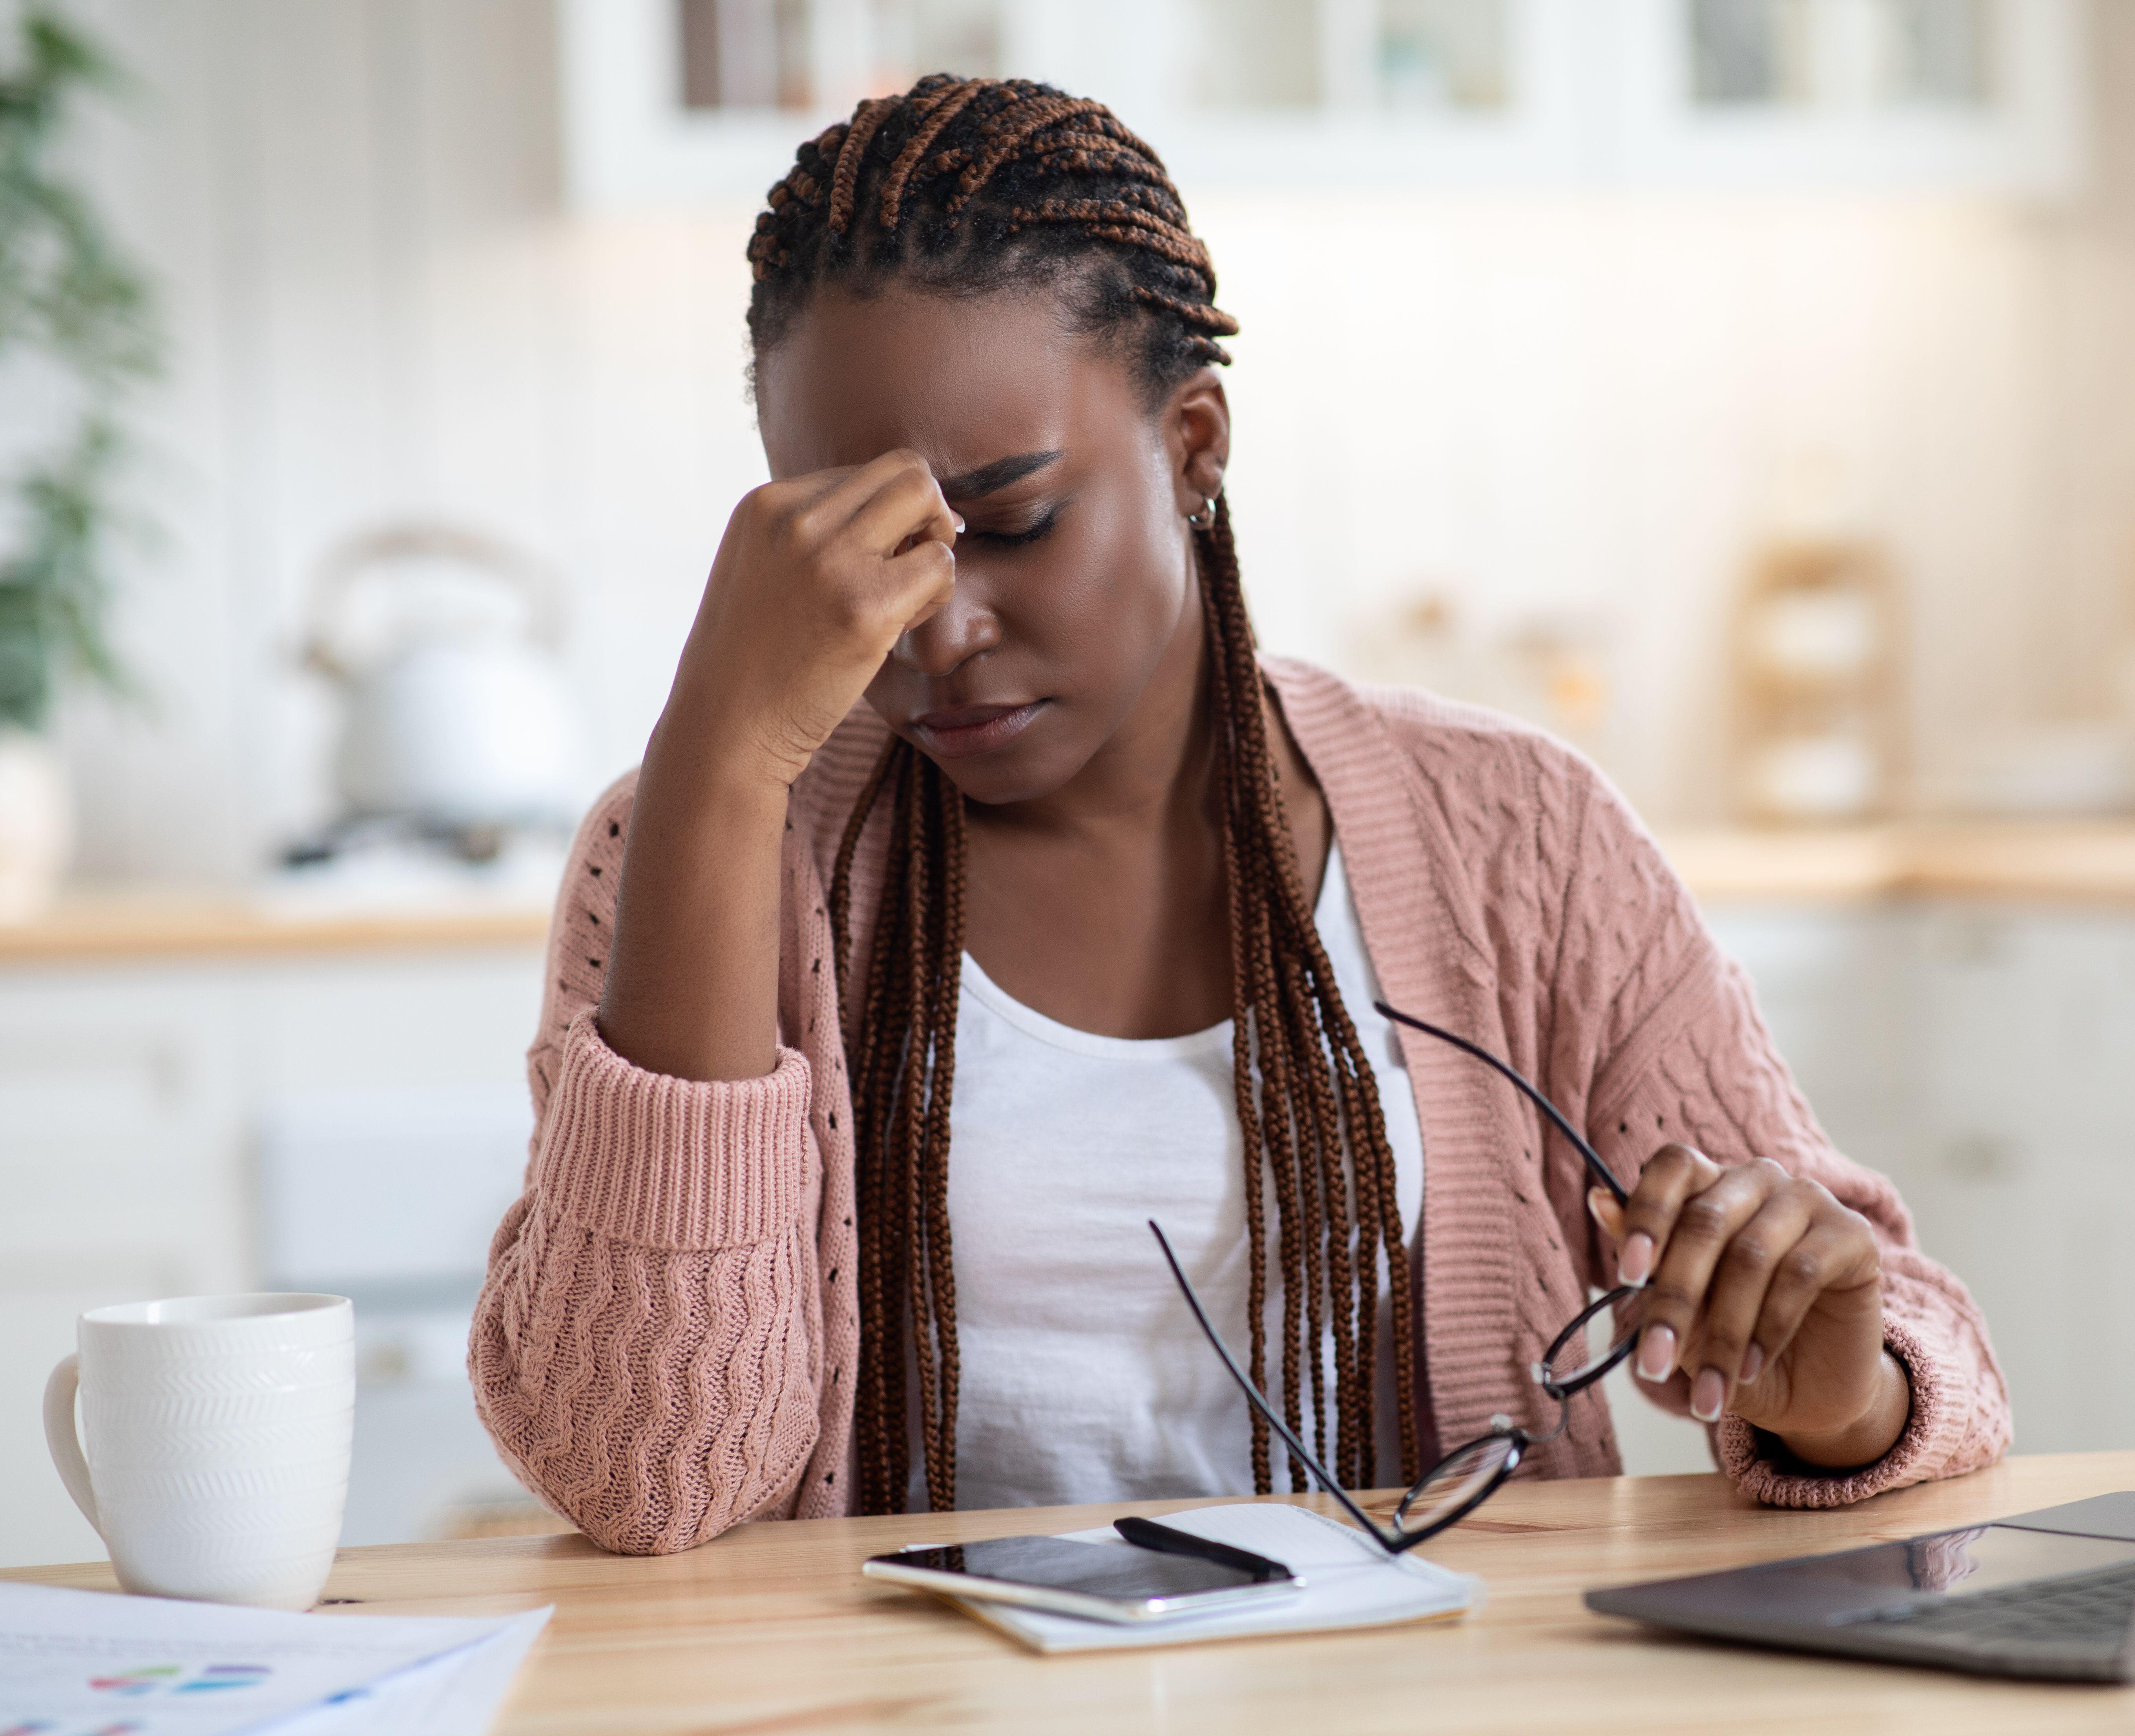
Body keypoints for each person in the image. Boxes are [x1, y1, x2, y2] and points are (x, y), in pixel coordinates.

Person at [471, 76, 2009, 1556]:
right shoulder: (699, 843)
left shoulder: (1517, 836)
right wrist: (720, 767)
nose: (936, 630)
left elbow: (1923, 1342)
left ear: (1193, 446)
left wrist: (1845, 1392)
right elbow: (645, 1474)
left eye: (1009, 525)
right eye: (856, 554)